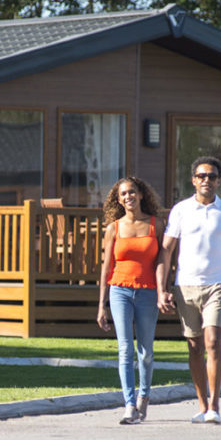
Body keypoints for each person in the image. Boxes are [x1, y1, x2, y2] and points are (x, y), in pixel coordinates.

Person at [156, 156, 221, 424]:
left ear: (219, 180)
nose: (207, 180)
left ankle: (215, 407)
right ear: (193, 180)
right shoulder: (181, 210)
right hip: (185, 286)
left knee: (213, 343)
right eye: (202, 175)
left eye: (212, 176)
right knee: (194, 347)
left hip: (217, 284)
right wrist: (162, 290)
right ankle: (203, 405)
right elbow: (166, 250)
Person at [97, 176, 165, 425]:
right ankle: (128, 404)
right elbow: (106, 268)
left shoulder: (156, 225)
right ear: (118, 199)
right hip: (119, 291)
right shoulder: (113, 228)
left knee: (145, 352)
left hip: (147, 292)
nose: (129, 197)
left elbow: (163, 261)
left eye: (133, 192)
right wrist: (101, 305)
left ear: (142, 194)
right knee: (125, 349)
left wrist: (162, 289)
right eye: (124, 194)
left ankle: (143, 397)